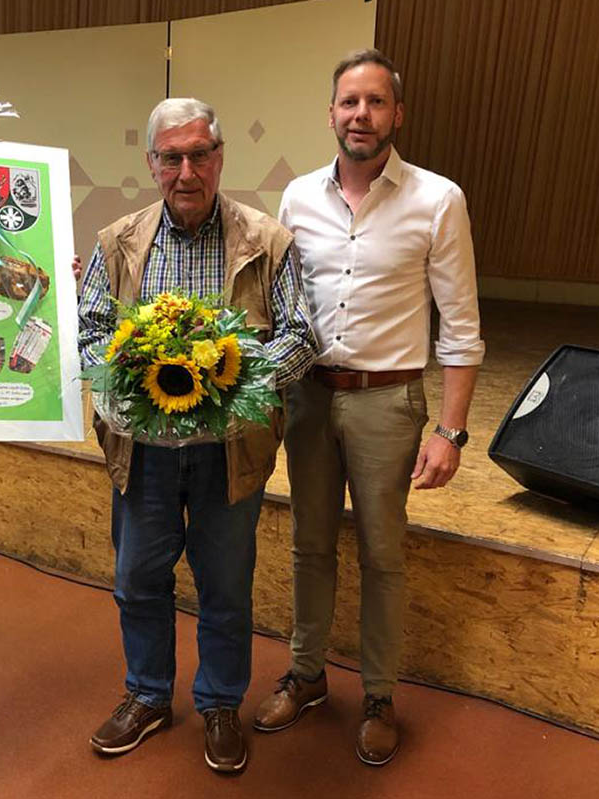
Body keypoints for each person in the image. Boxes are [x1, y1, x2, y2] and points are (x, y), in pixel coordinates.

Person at [252, 49, 485, 766]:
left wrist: (450, 431)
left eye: (376, 102)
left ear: (397, 114)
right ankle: (307, 674)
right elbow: (276, 304)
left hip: (388, 402)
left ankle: (379, 695)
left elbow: (461, 326)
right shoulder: (297, 197)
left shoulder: (438, 199)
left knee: (383, 554)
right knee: (309, 544)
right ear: (331, 113)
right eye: (349, 102)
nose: (361, 115)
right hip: (309, 397)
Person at [78, 98, 317, 773]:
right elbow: (89, 330)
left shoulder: (268, 242)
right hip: (144, 454)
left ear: (219, 157)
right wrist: (127, 382)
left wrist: (232, 387)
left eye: (199, 155)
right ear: (152, 163)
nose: (187, 171)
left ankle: (218, 703)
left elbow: (301, 335)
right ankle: (148, 694)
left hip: (229, 452)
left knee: (225, 586)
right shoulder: (117, 241)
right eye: (172, 157)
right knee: (137, 580)